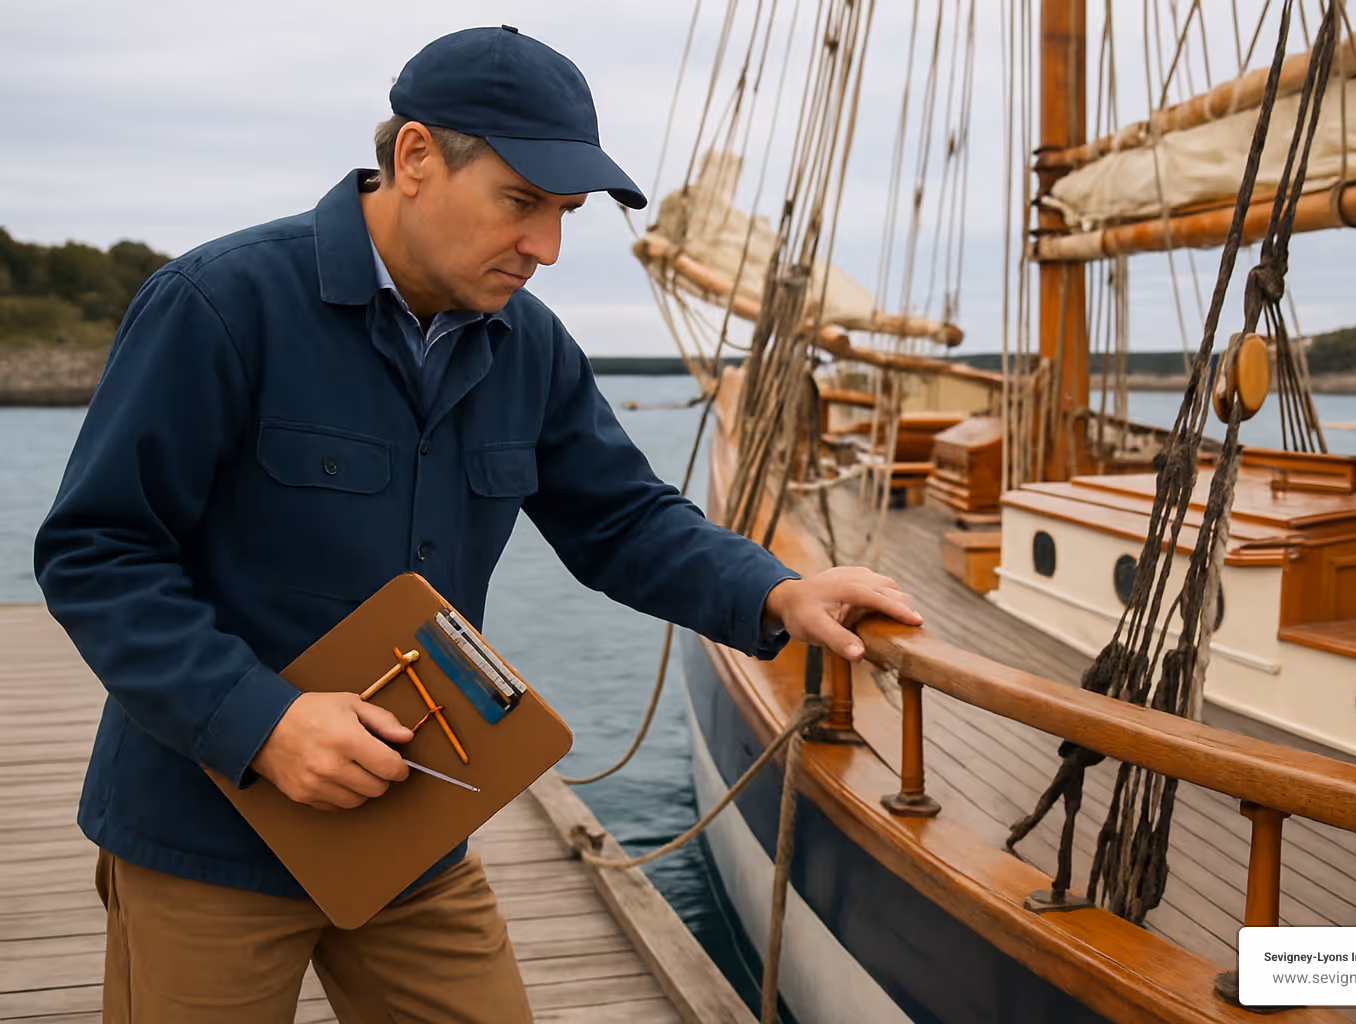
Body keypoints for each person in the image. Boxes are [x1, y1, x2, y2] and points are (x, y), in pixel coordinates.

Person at [33, 26, 921, 1024]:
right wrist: (265, 722)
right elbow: (96, 553)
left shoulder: (530, 347)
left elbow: (621, 517)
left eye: (565, 214)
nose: (546, 247)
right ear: (415, 158)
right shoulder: (219, 305)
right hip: (206, 836)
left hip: (413, 826)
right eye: (522, 203)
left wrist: (774, 589)